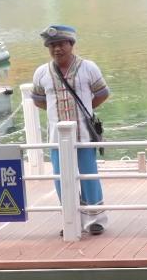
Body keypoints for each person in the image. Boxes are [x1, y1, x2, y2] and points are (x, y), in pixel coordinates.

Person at [31, 24, 109, 236]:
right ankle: (70, 219)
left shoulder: (88, 67)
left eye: (61, 44)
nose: (57, 49)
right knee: (61, 178)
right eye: (52, 45)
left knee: (89, 175)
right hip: (57, 137)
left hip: (83, 135)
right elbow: (38, 99)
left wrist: (85, 110)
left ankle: (95, 219)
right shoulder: (41, 72)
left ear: (71, 44)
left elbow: (102, 93)